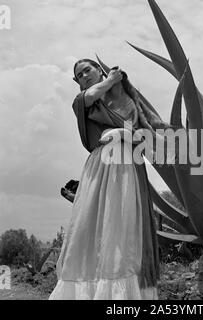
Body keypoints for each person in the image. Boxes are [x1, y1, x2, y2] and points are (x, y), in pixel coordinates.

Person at [48, 58, 164, 300]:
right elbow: (88, 96)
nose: (84, 76)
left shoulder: (129, 102)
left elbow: (145, 136)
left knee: (122, 224)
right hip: (101, 166)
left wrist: (125, 133)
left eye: (87, 70)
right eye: (79, 75)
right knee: (90, 226)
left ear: (97, 69)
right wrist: (110, 79)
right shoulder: (82, 103)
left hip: (127, 166)